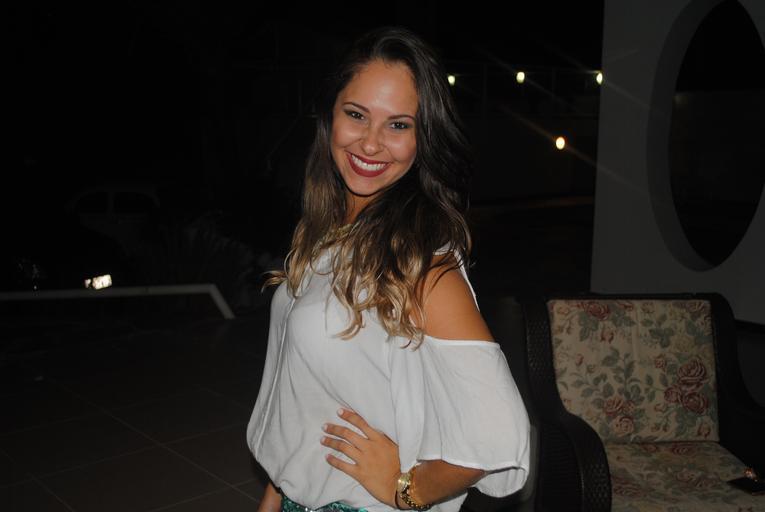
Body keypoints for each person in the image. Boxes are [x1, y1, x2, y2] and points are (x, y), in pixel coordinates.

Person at [247, 26, 530, 512]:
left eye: (398, 125)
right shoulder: (327, 231)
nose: (371, 143)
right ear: (330, 116)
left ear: (424, 139)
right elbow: (304, 391)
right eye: (356, 115)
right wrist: (276, 494)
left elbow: (499, 432)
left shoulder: (422, 265)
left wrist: (408, 490)